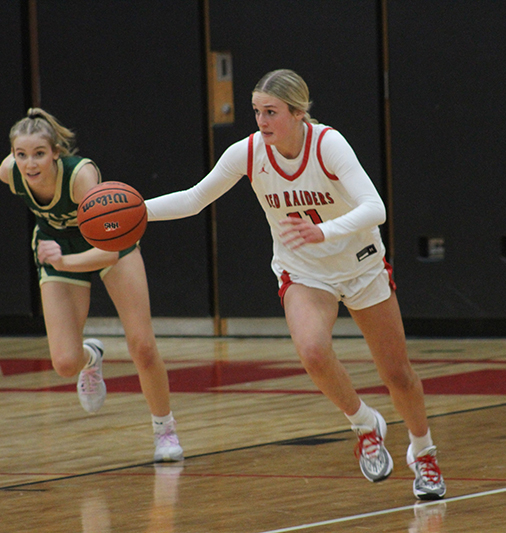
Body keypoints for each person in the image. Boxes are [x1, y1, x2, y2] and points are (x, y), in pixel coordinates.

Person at [145, 69, 445, 499]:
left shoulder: (328, 145)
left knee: (397, 374)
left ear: (299, 113)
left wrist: (324, 232)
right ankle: (364, 422)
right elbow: (194, 199)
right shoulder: (248, 153)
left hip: (360, 264)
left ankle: (424, 452)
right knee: (312, 351)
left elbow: (374, 207)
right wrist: (138, 210)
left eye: (272, 112)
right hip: (305, 272)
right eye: (257, 112)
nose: (262, 121)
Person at [0, 108, 183, 463]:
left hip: (108, 240)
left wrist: (64, 261)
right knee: (65, 363)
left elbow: (109, 253)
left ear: (55, 152)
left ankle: (165, 429)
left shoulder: (82, 175)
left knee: (142, 345)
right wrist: (58, 257)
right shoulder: (10, 173)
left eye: (38, 153)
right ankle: (91, 357)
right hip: (58, 246)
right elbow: (17, 163)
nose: (30, 163)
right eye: (21, 154)